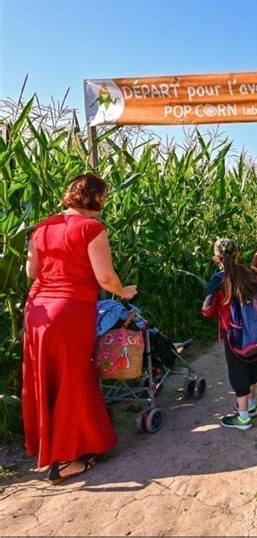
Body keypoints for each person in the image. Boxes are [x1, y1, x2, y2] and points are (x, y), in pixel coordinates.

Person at [23, 173, 137, 485]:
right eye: (104, 196)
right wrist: (124, 292)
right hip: (70, 309)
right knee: (73, 379)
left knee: (45, 377)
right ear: (96, 197)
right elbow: (104, 277)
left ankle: (49, 447)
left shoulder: (44, 226)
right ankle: (68, 460)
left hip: (37, 311)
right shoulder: (92, 228)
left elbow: (32, 271)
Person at [202, 238, 257, 431]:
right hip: (255, 330)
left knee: (238, 372)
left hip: (233, 332)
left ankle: (243, 417)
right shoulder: (247, 272)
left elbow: (207, 309)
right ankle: (251, 406)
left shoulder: (218, 279)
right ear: (237, 254)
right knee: (252, 365)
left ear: (216, 258)